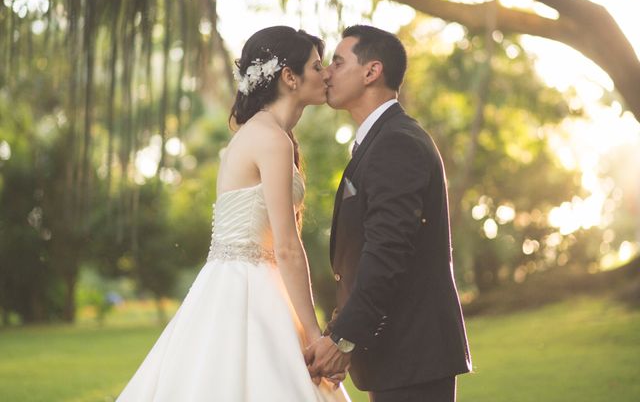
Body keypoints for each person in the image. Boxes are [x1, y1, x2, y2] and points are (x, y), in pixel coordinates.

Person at [117, 26, 349, 401]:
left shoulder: (263, 134)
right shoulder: (271, 139)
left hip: (236, 281)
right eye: (318, 65)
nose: (327, 75)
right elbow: (288, 246)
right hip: (250, 288)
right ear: (289, 77)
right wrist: (314, 335)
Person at [305, 25, 472, 402]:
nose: (326, 73)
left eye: (337, 62)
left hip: (415, 355)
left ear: (371, 71)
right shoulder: (380, 141)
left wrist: (343, 338)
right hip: (398, 355)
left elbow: (387, 250)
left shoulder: (397, 142)